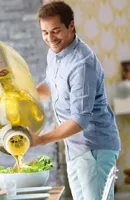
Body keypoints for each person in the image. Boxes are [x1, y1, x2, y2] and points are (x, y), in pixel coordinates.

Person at [28, 1, 121, 200]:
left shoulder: (82, 63)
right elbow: (51, 85)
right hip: (75, 149)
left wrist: (40, 140)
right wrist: (24, 95)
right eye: (45, 32)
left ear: (71, 26)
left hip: (94, 148)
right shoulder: (55, 52)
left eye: (55, 31)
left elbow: (80, 120)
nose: (50, 38)